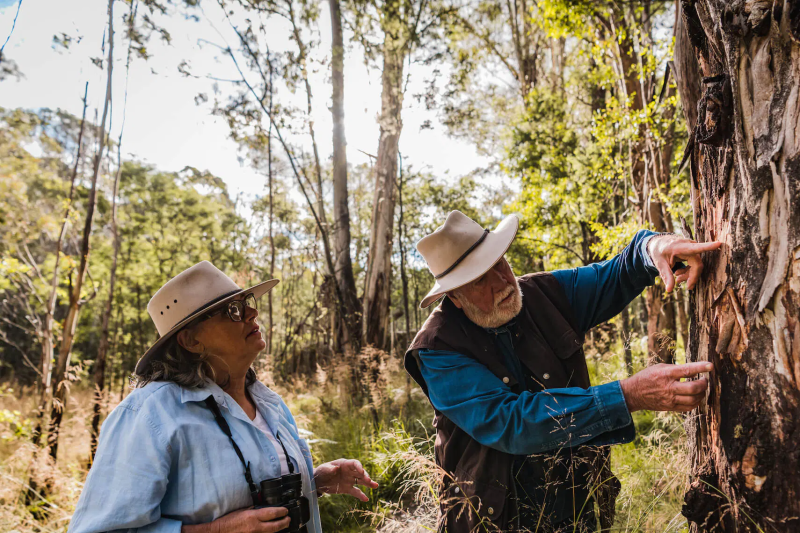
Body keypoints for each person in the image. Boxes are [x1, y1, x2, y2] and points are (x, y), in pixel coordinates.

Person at [404, 211, 720, 533]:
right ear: (454, 297)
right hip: (493, 520)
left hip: (575, 505)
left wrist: (655, 247)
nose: (502, 282)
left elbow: (619, 273)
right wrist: (629, 395)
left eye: (499, 262)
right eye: (481, 280)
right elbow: (513, 423)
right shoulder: (436, 349)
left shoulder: (545, 294)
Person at [69, 261, 378, 533]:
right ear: (191, 340)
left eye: (247, 302)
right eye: (233, 310)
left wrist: (317, 481)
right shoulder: (150, 415)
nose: (252, 313)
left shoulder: (271, 404)